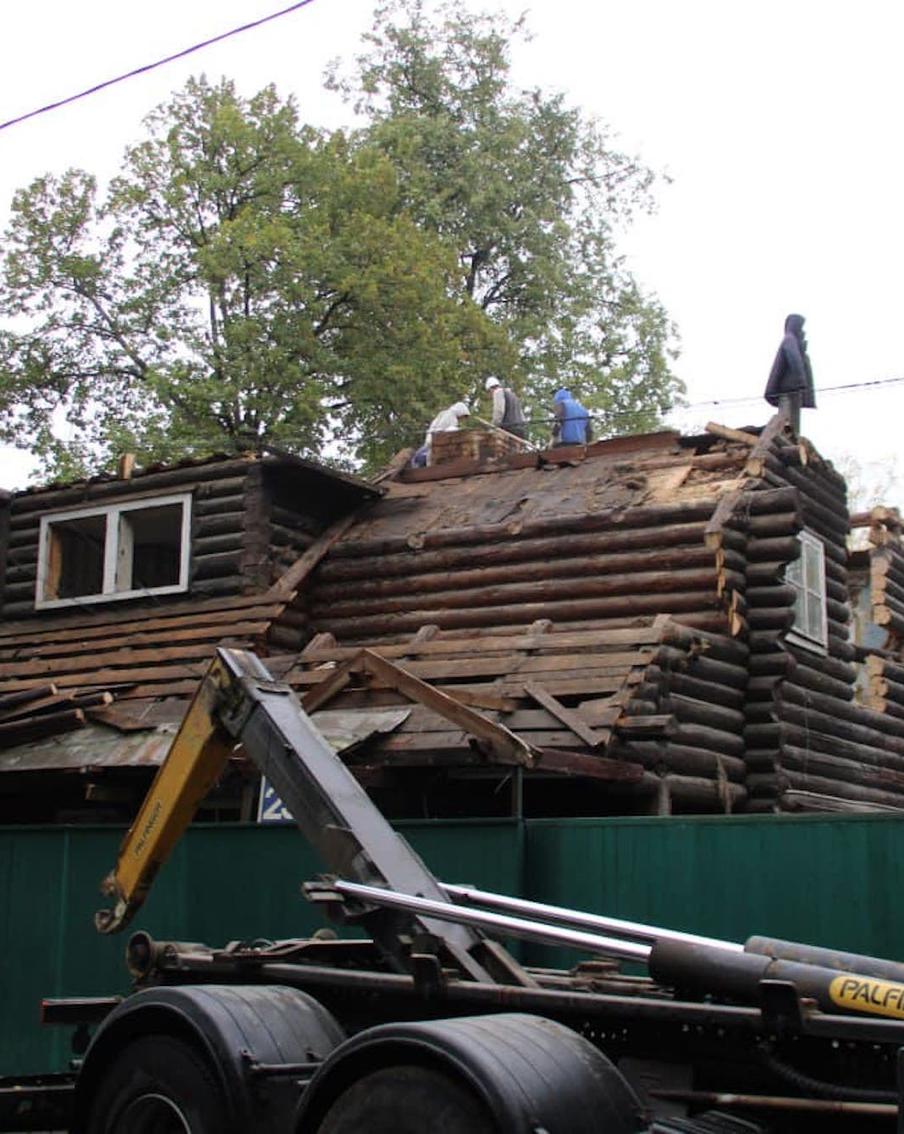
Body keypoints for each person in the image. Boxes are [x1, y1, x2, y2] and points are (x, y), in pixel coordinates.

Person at [764, 314, 815, 434]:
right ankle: (789, 437)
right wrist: (801, 381)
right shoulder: (790, 340)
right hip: (789, 389)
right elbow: (794, 358)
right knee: (788, 422)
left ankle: (791, 437)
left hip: (792, 389)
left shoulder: (792, 340)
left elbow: (796, 358)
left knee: (790, 422)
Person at [411, 400, 470, 466]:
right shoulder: (451, 417)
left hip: (431, 439)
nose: (462, 419)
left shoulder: (444, 413)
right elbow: (448, 431)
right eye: (463, 416)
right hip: (437, 441)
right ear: (461, 412)